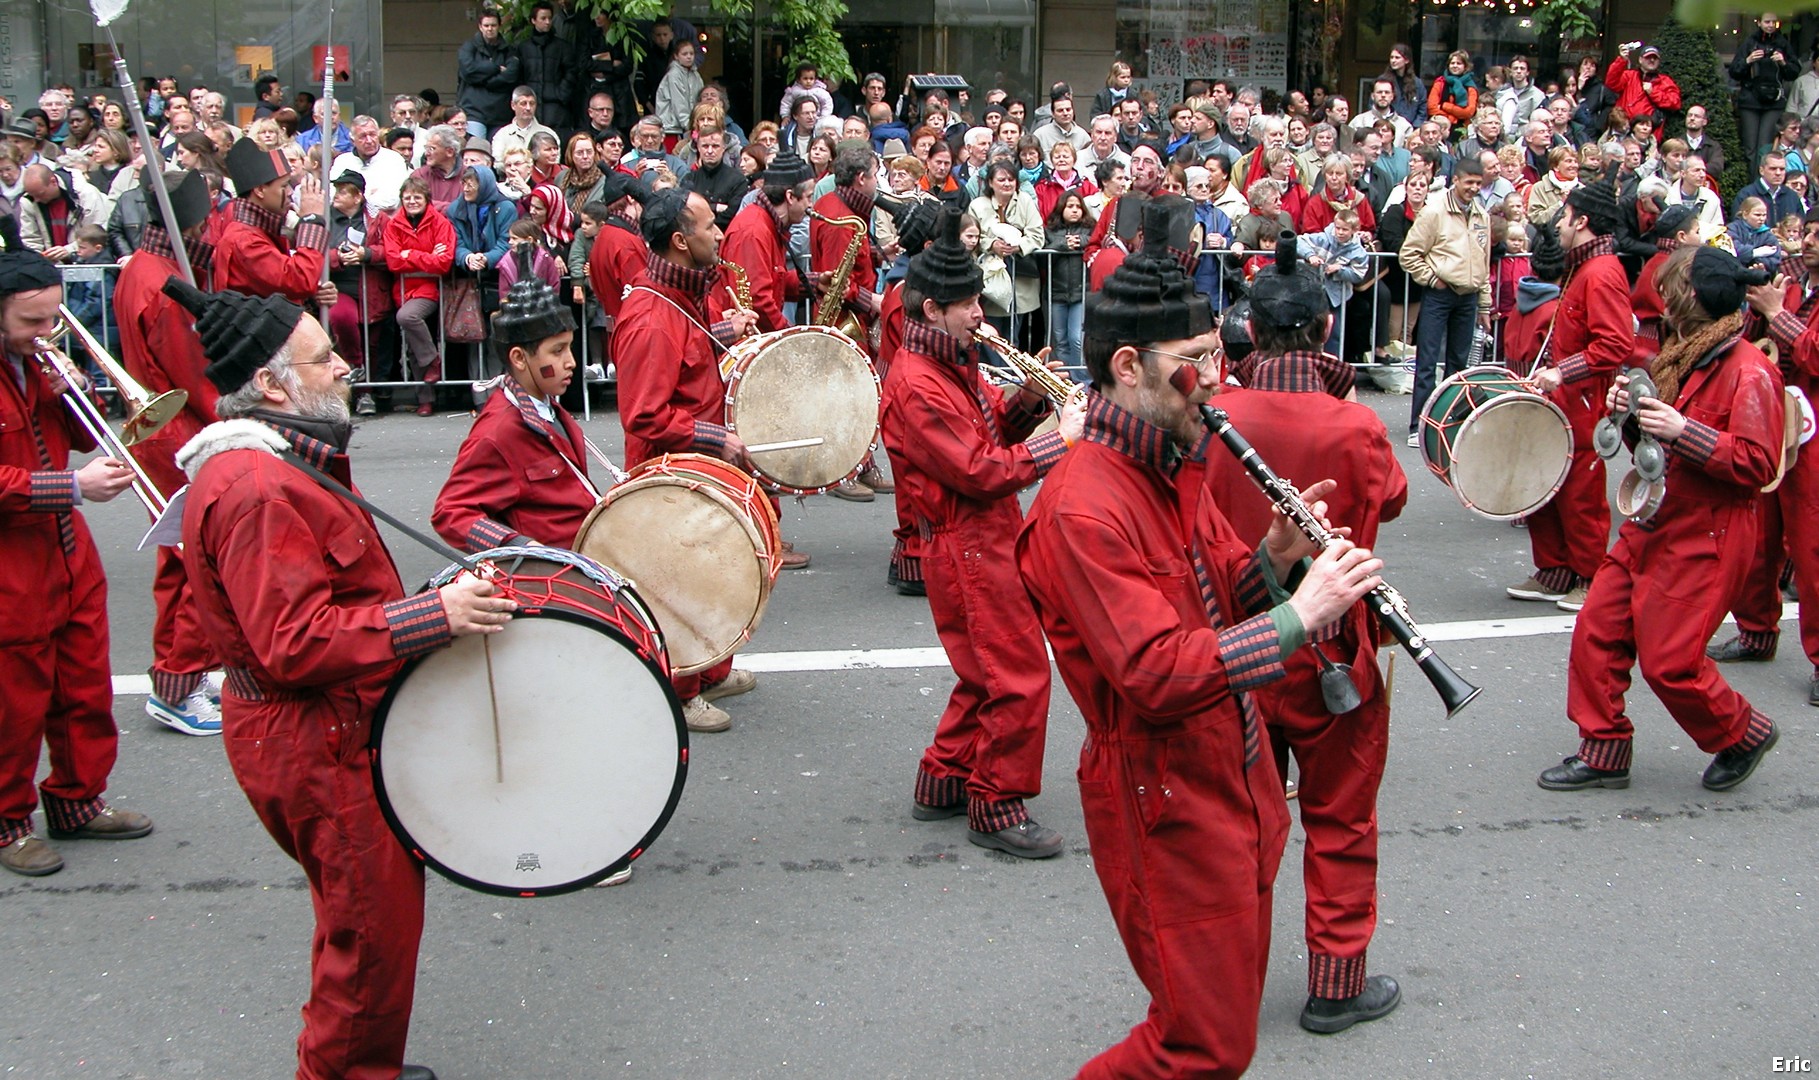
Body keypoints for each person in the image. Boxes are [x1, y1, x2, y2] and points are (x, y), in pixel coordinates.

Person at [1017, 197, 1384, 1077]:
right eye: (1194, 365)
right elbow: (1153, 673)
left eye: (1218, 356)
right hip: (1163, 797)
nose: (1216, 380)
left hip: (1232, 777)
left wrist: (1278, 558)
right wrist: (1306, 615)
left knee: (1222, 1038)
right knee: (1201, 1047)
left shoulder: (1172, 465)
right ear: (1127, 367)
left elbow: (1221, 603)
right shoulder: (1082, 506)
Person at [167, 277, 509, 1080]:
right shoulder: (257, 486)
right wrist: (433, 620)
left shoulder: (281, 463)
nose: (346, 368)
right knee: (369, 929)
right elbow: (293, 643)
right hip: (311, 736)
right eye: (325, 361)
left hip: (326, 725)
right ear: (274, 385)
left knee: (363, 918)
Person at [1201, 228, 1408, 1035]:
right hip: (1331, 649)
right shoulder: (1354, 426)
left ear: (1249, 332)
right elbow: (1386, 502)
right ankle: (1334, 983)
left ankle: (1223, 982)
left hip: (1240, 644)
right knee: (1341, 819)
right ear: (1325, 332)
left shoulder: (1215, 416)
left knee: (1237, 825)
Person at [1539, 245, 1784, 794]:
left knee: (1671, 661)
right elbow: (1651, 450)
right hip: (1655, 518)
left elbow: (1758, 464)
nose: (1661, 300)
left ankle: (1742, 731)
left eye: (1672, 291)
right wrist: (1629, 415)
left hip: (1709, 530)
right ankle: (1603, 750)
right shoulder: (1679, 356)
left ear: (1691, 299)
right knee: (1598, 630)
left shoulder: (1750, 371)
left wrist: (1682, 431)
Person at [880, 206, 1083, 858]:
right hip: (966, 540)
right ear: (933, 309)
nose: (980, 316)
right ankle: (995, 802)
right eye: (968, 305)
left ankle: (942, 779)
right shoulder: (916, 383)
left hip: (980, 535)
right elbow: (978, 470)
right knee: (1017, 674)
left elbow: (990, 428)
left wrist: (1029, 397)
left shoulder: (952, 362)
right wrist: (1059, 442)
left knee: (983, 672)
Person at [0, 214, 151, 877]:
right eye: (32, 323)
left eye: (52, 318)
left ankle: (77, 800)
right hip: (12, 560)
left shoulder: (40, 360)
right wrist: (71, 487)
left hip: (66, 549)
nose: (47, 334)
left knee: (83, 681)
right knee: (15, 700)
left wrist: (73, 394)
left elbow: (87, 440)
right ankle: (7, 823)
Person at [612, 188, 760, 733]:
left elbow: (686, 352)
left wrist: (722, 332)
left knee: (707, 572)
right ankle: (677, 689)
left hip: (695, 467)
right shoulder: (650, 316)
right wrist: (716, 436)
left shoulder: (680, 294)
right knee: (675, 581)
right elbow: (644, 415)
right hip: (669, 476)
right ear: (680, 241)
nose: (720, 234)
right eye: (709, 227)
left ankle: (711, 669)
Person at [1507, 178, 1630, 610]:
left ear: (1582, 221)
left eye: (1565, 214)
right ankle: (1556, 568)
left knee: (1579, 492)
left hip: (1582, 402)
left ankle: (1590, 574)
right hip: (1564, 398)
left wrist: (1562, 373)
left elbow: (1615, 345)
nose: (1558, 222)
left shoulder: (1602, 272)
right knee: (1544, 481)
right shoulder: (1583, 267)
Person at [1715, 205, 1819, 700]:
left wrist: (1778, 314)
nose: (1811, 242)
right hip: (1776, 421)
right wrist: (1759, 307)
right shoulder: (1791, 285)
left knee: (1811, 544)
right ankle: (1757, 629)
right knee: (1758, 532)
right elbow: (1753, 343)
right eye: (1810, 233)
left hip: (1814, 436)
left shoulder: (1791, 298)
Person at [1400, 156, 1491, 445]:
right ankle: (1419, 425)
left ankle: (1450, 424)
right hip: (1439, 294)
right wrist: (1431, 278)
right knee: (1427, 361)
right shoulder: (1434, 211)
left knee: (1459, 365)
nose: (1474, 189)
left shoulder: (1481, 215)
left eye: (1478, 183)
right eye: (1469, 183)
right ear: (1456, 181)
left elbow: (1484, 261)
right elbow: (1409, 253)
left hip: (1468, 296)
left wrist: (1485, 304)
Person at [212, 140, 336, 311]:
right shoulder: (245, 240)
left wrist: (313, 295)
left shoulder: (258, 231)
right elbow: (299, 280)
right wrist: (311, 220)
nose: (290, 192)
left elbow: (276, 288)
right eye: (284, 186)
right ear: (260, 190)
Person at [324, 170, 397, 417]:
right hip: (340, 287)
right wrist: (337, 258)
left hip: (371, 287)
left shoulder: (378, 219)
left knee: (372, 342)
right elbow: (315, 252)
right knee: (342, 319)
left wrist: (366, 254)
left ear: (357, 197)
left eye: (343, 191)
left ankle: (365, 392)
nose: (337, 195)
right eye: (337, 190)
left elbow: (391, 250)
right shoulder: (326, 219)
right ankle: (356, 374)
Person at [384, 175, 457, 415]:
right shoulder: (394, 224)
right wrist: (426, 256)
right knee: (414, 345)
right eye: (408, 198)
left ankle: (432, 359)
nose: (412, 201)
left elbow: (443, 262)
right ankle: (425, 398)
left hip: (430, 289)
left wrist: (410, 254)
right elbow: (394, 261)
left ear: (427, 199)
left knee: (407, 318)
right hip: (404, 290)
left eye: (417, 197)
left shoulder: (440, 223)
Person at [720, 147, 812, 335]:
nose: (811, 205)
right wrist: (790, 337)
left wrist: (815, 282)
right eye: (809, 197)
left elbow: (772, 279)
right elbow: (758, 300)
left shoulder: (766, 224)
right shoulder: (754, 232)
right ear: (790, 197)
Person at [1731, 13, 1799, 166]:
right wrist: (1748, 60)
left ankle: (1765, 183)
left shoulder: (1783, 43)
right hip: (1750, 100)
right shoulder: (1749, 42)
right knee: (1750, 148)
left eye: (1774, 22)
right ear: (1759, 23)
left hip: (1773, 102)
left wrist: (1783, 63)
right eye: (1767, 22)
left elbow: (1794, 72)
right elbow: (1734, 72)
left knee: (1765, 147)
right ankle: (1752, 184)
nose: (1770, 25)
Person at [457, 9, 521, 137]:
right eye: (486, 25)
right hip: (473, 112)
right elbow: (468, 71)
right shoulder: (468, 48)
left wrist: (482, 80)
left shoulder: (509, 50)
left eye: (493, 25)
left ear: (499, 26)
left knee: (499, 154)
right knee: (476, 152)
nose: (490, 29)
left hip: (500, 114)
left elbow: (511, 76)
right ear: (480, 27)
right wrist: (495, 68)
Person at [331, 115, 410, 213]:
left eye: (372, 135)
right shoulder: (342, 161)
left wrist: (354, 200)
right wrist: (370, 196)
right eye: (363, 136)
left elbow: (391, 200)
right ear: (352, 141)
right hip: (346, 222)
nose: (369, 141)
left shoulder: (394, 159)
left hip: (382, 224)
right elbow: (332, 197)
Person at [516, 1, 575, 131]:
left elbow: (571, 72)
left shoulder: (562, 47)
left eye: (549, 18)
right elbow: (519, 76)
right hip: (531, 105)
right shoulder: (523, 47)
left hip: (557, 107)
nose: (547, 22)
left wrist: (561, 94)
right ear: (533, 20)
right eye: (543, 18)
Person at [1605, 42, 1680, 134]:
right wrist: (1621, 60)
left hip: (1648, 134)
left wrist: (1653, 93)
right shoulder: (1629, 76)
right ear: (1640, 60)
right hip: (1623, 129)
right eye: (1648, 57)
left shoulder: (1665, 81)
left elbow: (1675, 102)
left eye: (1655, 58)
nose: (1652, 60)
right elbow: (1611, 83)